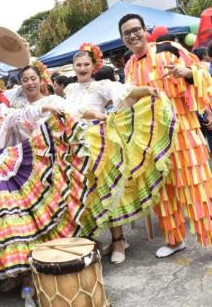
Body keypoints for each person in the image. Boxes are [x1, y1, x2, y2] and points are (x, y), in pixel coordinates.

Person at [0, 79, 105, 295]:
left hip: (8, 166)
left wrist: (45, 107)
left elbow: (24, 114)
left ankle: (28, 279)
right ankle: (16, 274)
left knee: (20, 222)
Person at [63, 44, 176, 264]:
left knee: (108, 190)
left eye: (86, 64)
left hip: (100, 143)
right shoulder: (68, 90)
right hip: (75, 146)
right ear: (74, 68)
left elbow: (123, 91)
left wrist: (145, 91)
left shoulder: (102, 85)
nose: (83, 68)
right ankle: (91, 241)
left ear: (94, 66)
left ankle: (118, 240)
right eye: (79, 65)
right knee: (85, 195)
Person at [120, 13, 212, 257]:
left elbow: (204, 75)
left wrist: (187, 73)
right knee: (163, 192)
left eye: (135, 29)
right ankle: (174, 240)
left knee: (198, 187)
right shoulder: (129, 66)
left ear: (145, 30)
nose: (132, 35)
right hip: (154, 140)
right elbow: (130, 100)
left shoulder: (169, 48)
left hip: (183, 131)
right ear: (123, 39)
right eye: (126, 33)